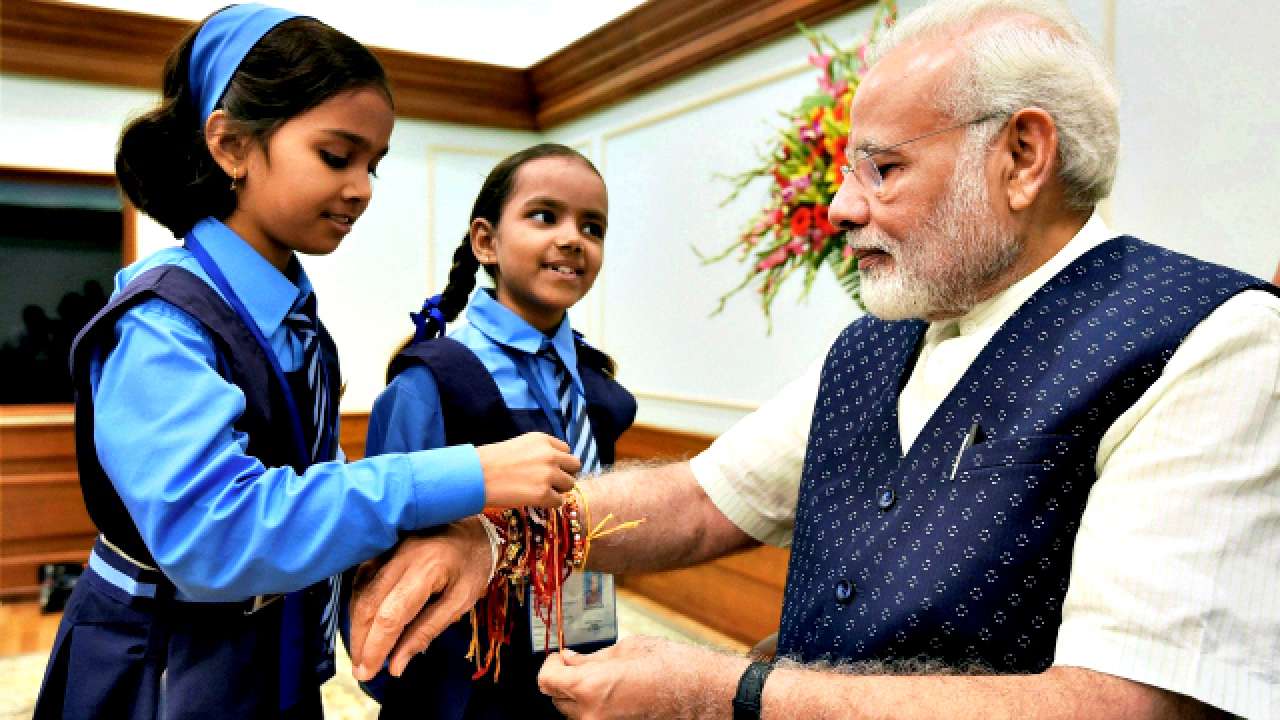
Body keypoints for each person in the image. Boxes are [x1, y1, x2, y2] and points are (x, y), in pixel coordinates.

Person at [346, 1, 1280, 718]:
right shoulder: (876, 342)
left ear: (1022, 156)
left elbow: (1128, 704)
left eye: (881, 167)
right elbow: (704, 497)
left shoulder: (1211, 342)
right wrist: (504, 538)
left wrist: (724, 694)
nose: (838, 208)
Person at [32, 6, 579, 719]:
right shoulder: (163, 321)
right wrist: (465, 475)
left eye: (374, 165)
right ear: (230, 144)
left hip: (266, 652)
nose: (363, 189)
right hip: (162, 668)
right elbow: (215, 533)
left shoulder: (293, 318)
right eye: (336, 155)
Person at [364, 143, 636, 719]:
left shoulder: (596, 385)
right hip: (458, 675)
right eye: (545, 216)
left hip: (575, 648)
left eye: (593, 227)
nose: (573, 238)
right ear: (486, 240)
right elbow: (382, 549)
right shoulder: (431, 381)